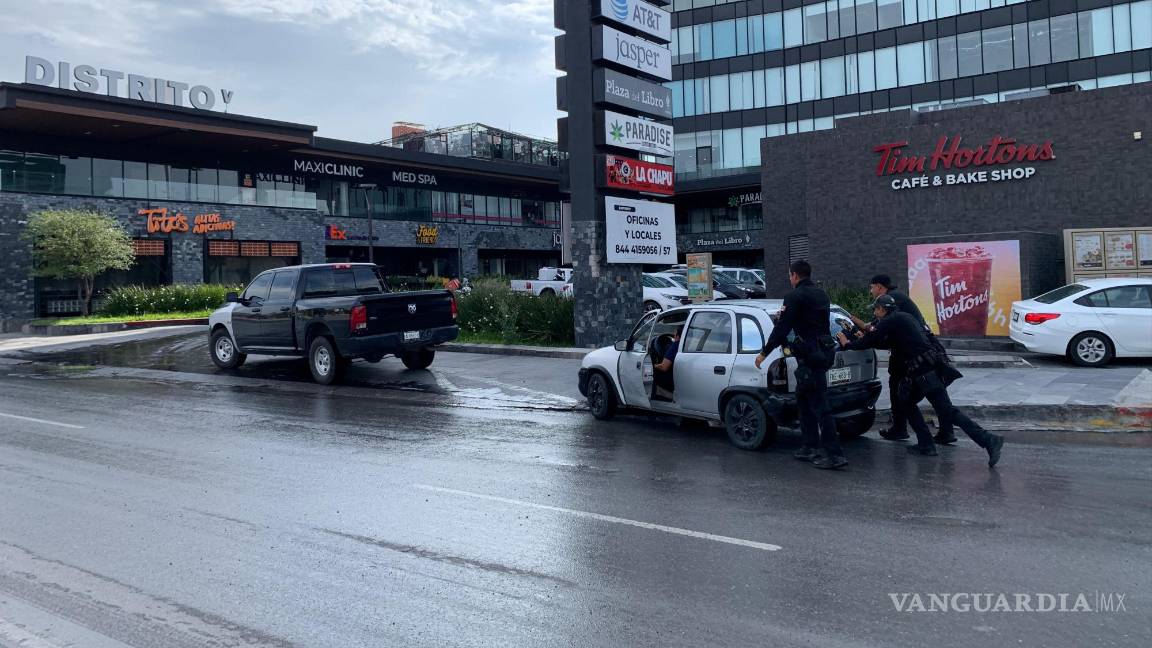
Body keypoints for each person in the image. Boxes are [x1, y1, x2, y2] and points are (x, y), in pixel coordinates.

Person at [837, 294, 1004, 467]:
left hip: (924, 370)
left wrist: (847, 344)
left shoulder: (890, 321)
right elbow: (888, 342)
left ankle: (987, 439)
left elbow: (870, 340)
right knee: (909, 402)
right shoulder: (904, 317)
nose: (874, 312)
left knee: (945, 410)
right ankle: (926, 444)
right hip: (928, 366)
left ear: (882, 309)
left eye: (875, 309)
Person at [754, 260, 847, 470]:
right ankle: (809, 446)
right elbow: (812, 322)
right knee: (804, 402)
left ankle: (835, 455)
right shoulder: (821, 294)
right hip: (822, 353)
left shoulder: (794, 296)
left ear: (795, 275)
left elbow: (782, 330)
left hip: (810, 357)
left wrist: (764, 352)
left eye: (790, 275)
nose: (790, 278)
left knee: (821, 407)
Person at [849, 274, 956, 446]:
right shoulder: (896, 298)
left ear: (879, 287)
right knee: (933, 393)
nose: (870, 291)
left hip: (918, 353)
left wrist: (854, 340)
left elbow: (878, 329)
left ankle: (904, 429)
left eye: (871, 287)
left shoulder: (892, 299)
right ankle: (942, 431)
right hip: (918, 350)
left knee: (907, 390)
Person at [652, 326, 682, 401]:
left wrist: (653, 366)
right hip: (679, 377)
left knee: (653, 372)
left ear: (677, 336)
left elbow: (664, 367)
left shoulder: (675, 346)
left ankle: (658, 398)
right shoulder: (685, 346)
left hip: (671, 381)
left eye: (675, 334)